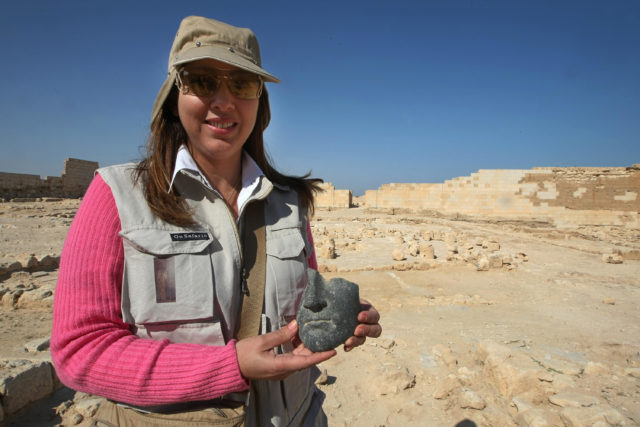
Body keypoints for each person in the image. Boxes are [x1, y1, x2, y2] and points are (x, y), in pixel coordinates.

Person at [51, 15, 381, 426]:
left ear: (260, 101)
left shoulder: (290, 203)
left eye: (242, 84)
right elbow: (79, 350)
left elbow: (301, 307)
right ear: (176, 93)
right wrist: (230, 367)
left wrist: (337, 317)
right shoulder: (115, 196)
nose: (223, 101)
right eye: (203, 81)